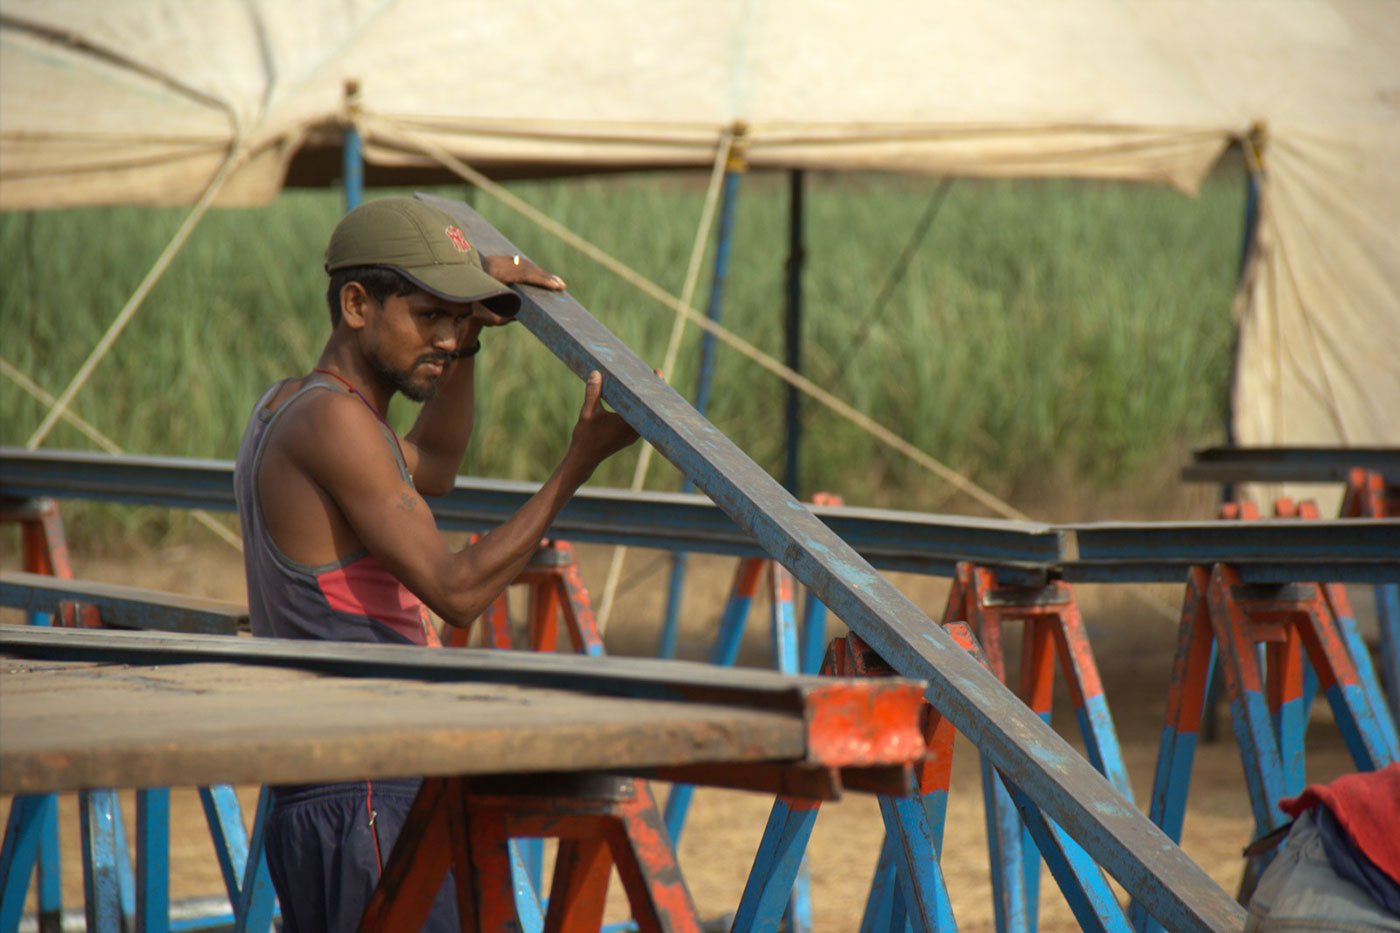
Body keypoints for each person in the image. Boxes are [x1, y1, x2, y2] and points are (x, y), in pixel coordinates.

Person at [233, 196, 641, 931]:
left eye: (455, 322)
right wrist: (576, 464)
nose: (447, 339)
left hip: (340, 781)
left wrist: (475, 326)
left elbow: (441, 463)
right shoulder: (334, 422)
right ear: (357, 304)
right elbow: (457, 590)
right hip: (364, 784)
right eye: (430, 316)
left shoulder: (292, 405)